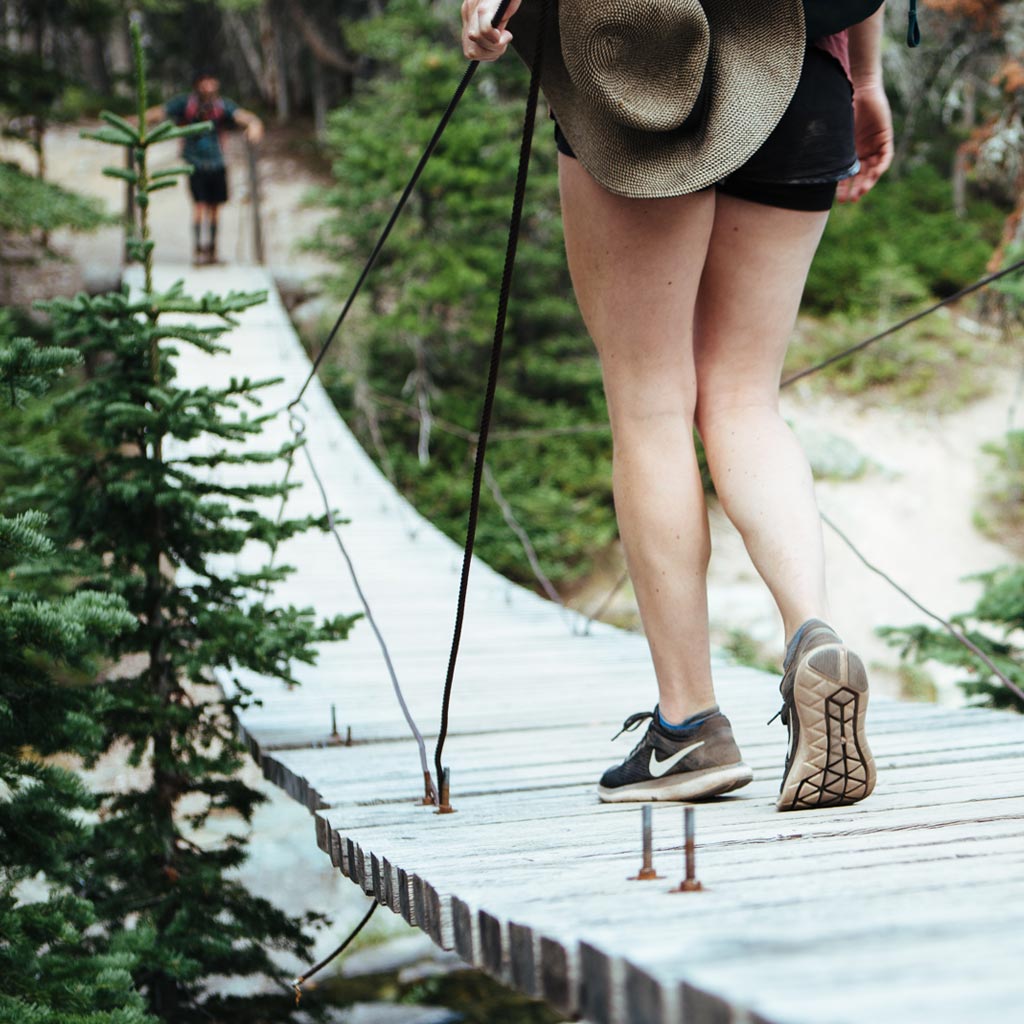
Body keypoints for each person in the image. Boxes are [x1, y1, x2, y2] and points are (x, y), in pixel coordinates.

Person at [461, 0, 894, 811]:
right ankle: (814, 631)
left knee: (650, 405)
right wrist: (863, 76)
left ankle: (689, 725)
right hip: (804, 74)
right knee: (745, 397)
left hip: (644, 76)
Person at [142, 70, 264, 265]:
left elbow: (242, 116)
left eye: (211, 82)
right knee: (199, 205)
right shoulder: (185, 103)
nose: (208, 86)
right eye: (204, 82)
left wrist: (255, 124)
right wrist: (137, 121)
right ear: (198, 84)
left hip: (217, 162)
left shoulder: (222, 105)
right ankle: (198, 250)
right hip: (195, 163)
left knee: (215, 207)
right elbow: (159, 112)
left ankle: (212, 251)